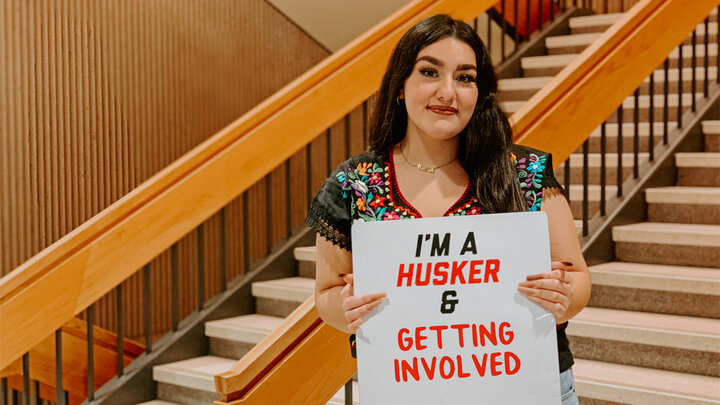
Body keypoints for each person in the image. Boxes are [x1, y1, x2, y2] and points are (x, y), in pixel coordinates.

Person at [305, 14, 590, 405]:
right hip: (407, 389)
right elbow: (328, 294)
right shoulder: (355, 183)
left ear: (480, 92)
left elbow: (576, 277)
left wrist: (562, 297)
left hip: (529, 385)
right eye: (429, 72)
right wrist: (348, 307)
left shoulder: (524, 172)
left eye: (465, 77)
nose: (447, 92)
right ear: (401, 87)